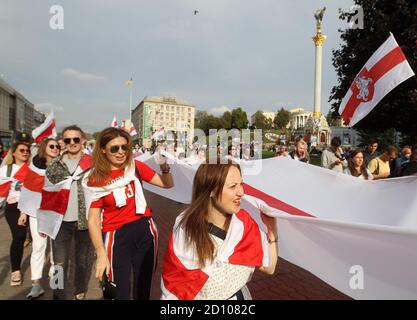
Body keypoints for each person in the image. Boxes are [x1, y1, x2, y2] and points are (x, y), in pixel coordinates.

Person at [161, 163, 278, 300]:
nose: (241, 192)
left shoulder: (244, 224)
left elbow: (269, 267)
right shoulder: (186, 229)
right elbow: (174, 290)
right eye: (232, 186)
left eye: (241, 184)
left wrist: (272, 230)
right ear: (211, 190)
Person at [84, 127, 174, 300]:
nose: (121, 152)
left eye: (125, 147)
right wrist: (101, 252)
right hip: (115, 236)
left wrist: (164, 165)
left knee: (143, 287)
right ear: (103, 150)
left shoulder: (135, 167)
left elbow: (167, 184)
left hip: (145, 231)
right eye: (114, 148)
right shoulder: (96, 179)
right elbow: (93, 220)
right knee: (118, 291)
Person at [44, 125, 94, 300]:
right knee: (58, 263)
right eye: (68, 140)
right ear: (63, 142)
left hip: (85, 221)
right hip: (60, 222)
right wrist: (44, 223)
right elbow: (46, 195)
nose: (72, 143)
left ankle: (79, 290)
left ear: (83, 141)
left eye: (76, 139)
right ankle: (57, 293)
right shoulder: (54, 165)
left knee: (82, 261)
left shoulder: (92, 164)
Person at [17, 138, 60, 298]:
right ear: (44, 148)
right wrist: (23, 213)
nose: (55, 148)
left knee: (58, 249)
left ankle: (58, 285)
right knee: (38, 247)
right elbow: (27, 190)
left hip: (57, 213)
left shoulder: (62, 166)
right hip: (36, 212)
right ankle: (36, 285)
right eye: (52, 146)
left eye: (57, 146)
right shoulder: (34, 167)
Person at [0, 141, 31, 286]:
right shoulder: (6, 169)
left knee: (39, 239)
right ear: (14, 153)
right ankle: (16, 271)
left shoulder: (32, 168)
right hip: (14, 207)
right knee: (19, 236)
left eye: (27, 150)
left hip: (31, 207)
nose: (25, 152)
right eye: (22, 150)